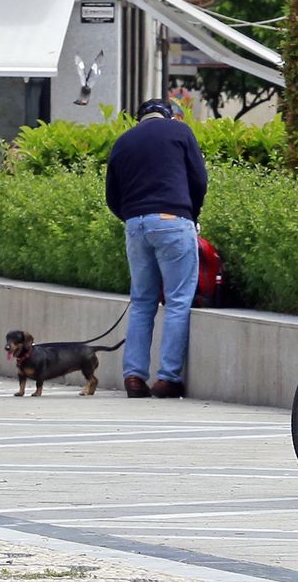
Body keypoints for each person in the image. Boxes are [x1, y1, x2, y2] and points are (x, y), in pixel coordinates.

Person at [105, 98, 208, 399]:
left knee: (141, 301)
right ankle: (167, 378)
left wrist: (133, 217)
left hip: (135, 224)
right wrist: (191, 213)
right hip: (173, 220)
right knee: (177, 301)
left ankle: (134, 376)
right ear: (171, 116)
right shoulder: (180, 132)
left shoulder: (123, 141)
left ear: (140, 119)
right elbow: (199, 179)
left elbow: (112, 194)